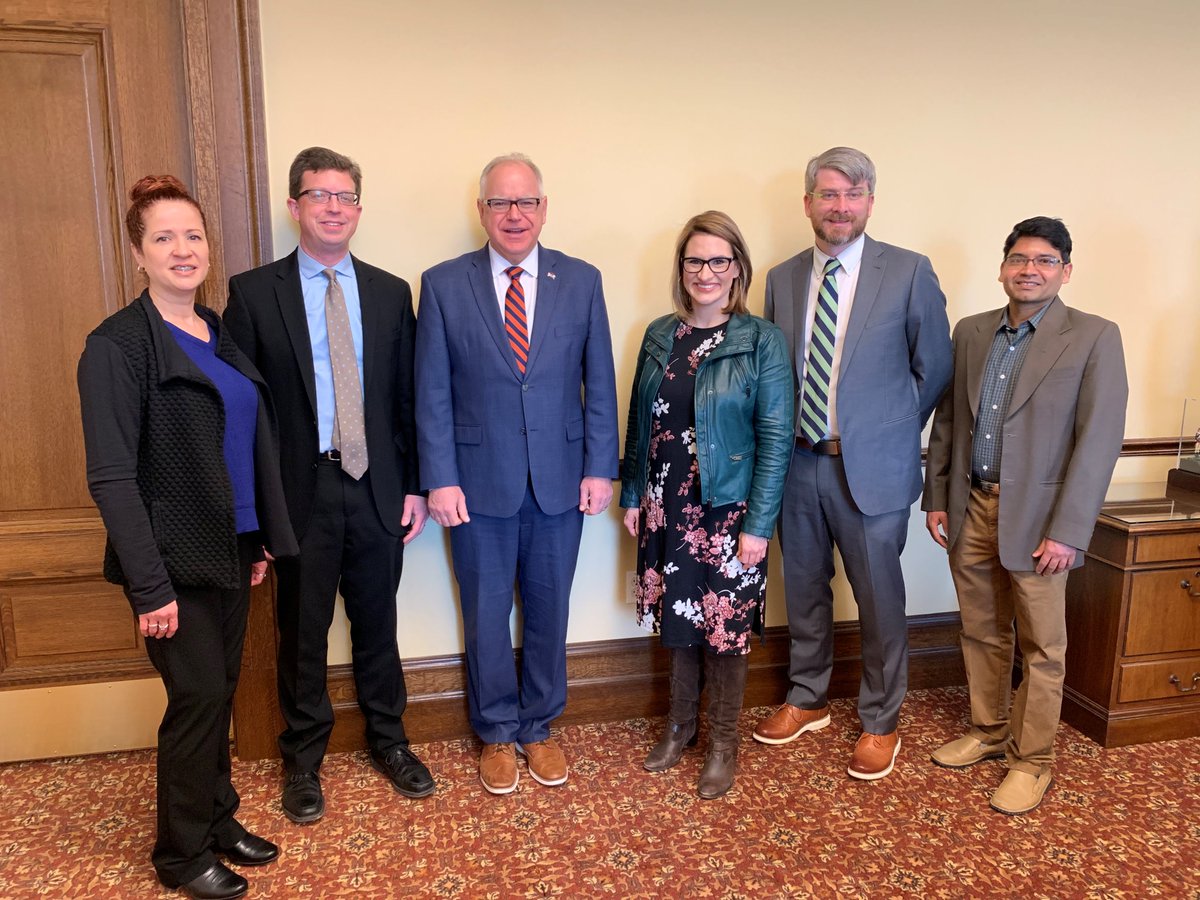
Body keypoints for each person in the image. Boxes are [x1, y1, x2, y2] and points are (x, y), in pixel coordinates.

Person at [78, 176, 298, 900]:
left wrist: (261, 536)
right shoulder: (117, 346)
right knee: (197, 699)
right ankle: (179, 854)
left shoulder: (215, 330)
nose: (183, 249)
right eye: (164, 237)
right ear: (138, 252)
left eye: (193, 235)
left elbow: (245, 440)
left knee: (220, 693)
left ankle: (217, 819)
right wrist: (149, 585)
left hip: (232, 546)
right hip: (172, 561)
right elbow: (111, 476)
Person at [224, 147, 433, 824]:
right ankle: (303, 759)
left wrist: (417, 485)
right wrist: (253, 508)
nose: (333, 208)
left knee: (379, 625)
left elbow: (409, 398)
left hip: (378, 487)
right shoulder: (253, 293)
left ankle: (390, 742)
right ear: (295, 207)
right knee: (302, 632)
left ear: (359, 210)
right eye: (319, 195)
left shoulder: (389, 291)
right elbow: (241, 411)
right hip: (299, 493)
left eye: (345, 197)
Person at [415, 153, 619, 794]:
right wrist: (439, 476)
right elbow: (432, 392)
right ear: (481, 211)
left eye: (525, 202)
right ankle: (497, 730)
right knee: (484, 610)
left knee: (549, 607)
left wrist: (600, 468)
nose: (514, 214)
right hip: (474, 482)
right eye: (500, 203)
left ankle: (538, 726)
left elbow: (601, 386)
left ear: (543, 208)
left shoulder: (581, 280)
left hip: (562, 479)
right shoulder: (444, 283)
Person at [753, 146, 953, 780]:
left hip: (871, 470)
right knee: (804, 589)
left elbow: (936, 368)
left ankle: (879, 719)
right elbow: (772, 373)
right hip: (797, 463)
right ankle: (807, 696)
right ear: (808, 202)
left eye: (853, 194)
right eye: (828, 195)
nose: (840, 206)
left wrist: (886, 432)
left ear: (870, 201)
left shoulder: (909, 271)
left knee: (878, 596)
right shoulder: (782, 278)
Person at [923, 217, 1127, 815]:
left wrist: (1069, 530)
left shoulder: (1093, 336)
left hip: (1041, 521)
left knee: (1042, 647)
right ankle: (988, 732)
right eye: (1019, 258)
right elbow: (950, 424)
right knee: (982, 631)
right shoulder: (972, 332)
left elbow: (1098, 441)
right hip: (972, 507)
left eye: (1043, 260)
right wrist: (937, 497)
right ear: (1003, 266)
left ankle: (1032, 760)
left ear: (1065, 270)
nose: (1029, 269)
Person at [620, 211, 793, 799]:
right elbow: (639, 422)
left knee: (725, 626)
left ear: (737, 268)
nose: (706, 272)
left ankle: (723, 742)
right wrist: (631, 492)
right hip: (666, 503)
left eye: (719, 260)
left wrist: (759, 524)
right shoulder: (659, 335)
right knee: (678, 618)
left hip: (728, 510)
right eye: (695, 260)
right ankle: (679, 726)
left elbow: (775, 438)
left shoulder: (760, 340)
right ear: (682, 268)